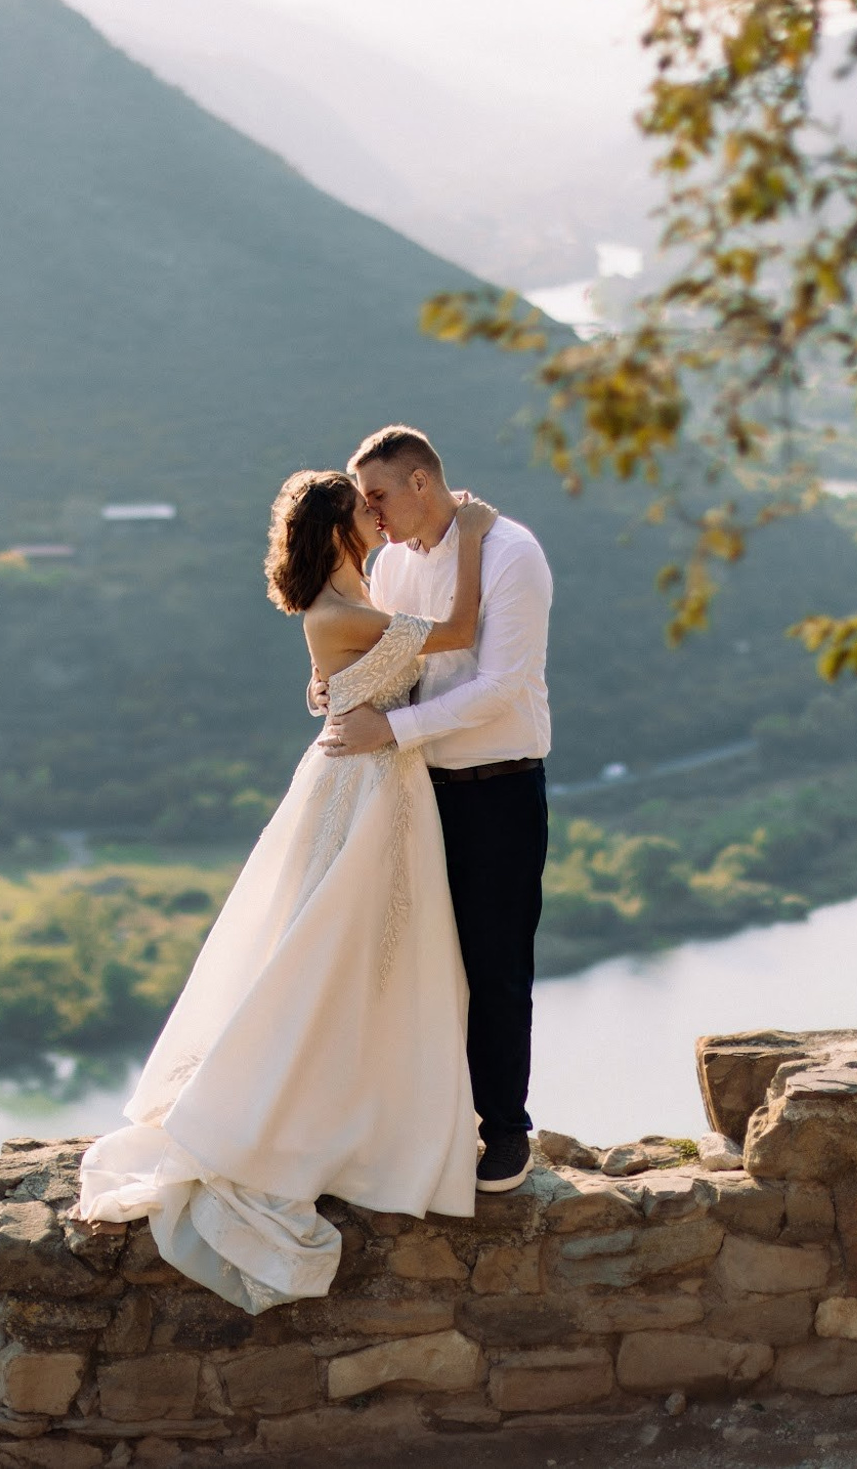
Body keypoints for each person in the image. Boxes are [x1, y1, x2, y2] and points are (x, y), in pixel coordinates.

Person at [72, 469, 500, 1313]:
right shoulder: (341, 611)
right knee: (331, 955)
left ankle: (372, 1113)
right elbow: (457, 631)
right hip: (366, 791)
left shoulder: (357, 594)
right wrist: (476, 534)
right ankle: (309, 1118)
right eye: (364, 509)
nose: (377, 516)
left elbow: (353, 673)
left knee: (379, 958)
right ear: (339, 527)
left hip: (384, 782)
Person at [319, 425, 552, 1194]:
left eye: (379, 495)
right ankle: (417, 1129)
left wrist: (390, 728)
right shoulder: (387, 566)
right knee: (409, 966)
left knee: (495, 968)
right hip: (409, 793)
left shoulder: (513, 551)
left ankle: (505, 1133)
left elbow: (501, 687)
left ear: (422, 482)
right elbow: (381, 663)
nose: (372, 513)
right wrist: (331, 689)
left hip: (496, 790)